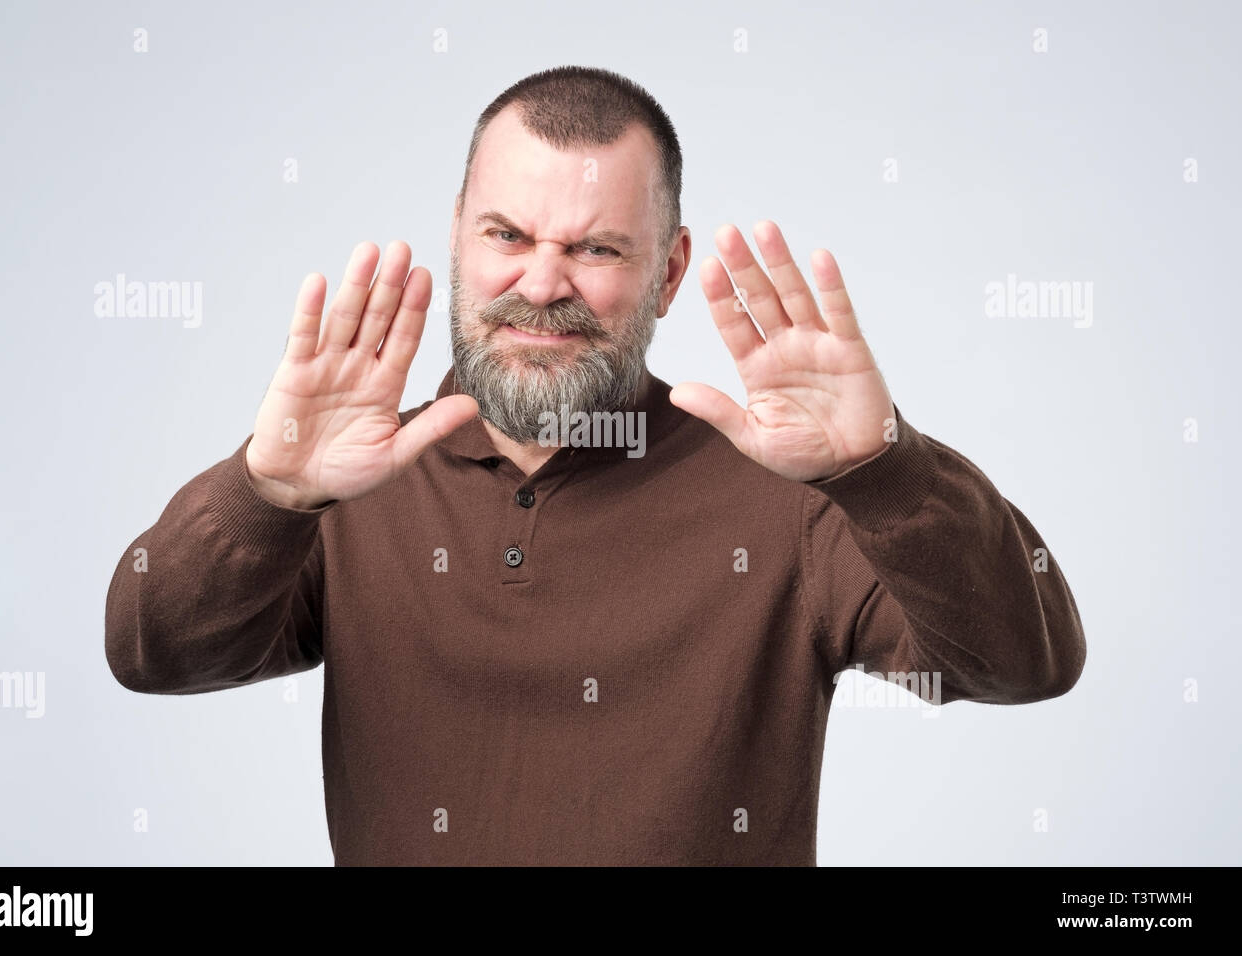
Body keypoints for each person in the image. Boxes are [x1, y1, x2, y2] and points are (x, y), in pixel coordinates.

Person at [104, 65, 1086, 865]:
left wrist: (883, 469)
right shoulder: (349, 478)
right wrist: (266, 493)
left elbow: (1020, 664)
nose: (541, 282)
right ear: (457, 233)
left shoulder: (793, 492)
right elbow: (155, 656)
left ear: (666, 270)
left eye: (596, 248)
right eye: (507, 235)